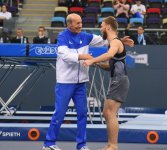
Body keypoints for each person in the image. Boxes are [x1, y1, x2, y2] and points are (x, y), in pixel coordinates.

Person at [43, 13, 133, 150]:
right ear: (69, 24)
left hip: (81, 82)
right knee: (59, 113)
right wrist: (83, 56)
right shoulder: (62, 36)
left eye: (81, 22)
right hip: (65, 82)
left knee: (83, 114)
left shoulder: (85, 36)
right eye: (77, 23)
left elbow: (105, 39)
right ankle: (49, 144)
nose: (81, 25)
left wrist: (119, 40)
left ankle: (82, 145)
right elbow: (65, 55)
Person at [83, 16, 130, 150]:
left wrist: (91, 61)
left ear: (108, 27)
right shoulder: (114, 43)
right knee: (108, 113)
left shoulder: (115, 42)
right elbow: (109, 65)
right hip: (117, 79)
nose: (101, 29)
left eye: (102, 26)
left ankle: (113, 146)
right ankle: (110, 144)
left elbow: (109, 55)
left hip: (120, 80)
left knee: (110, 113)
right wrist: (95, 62)